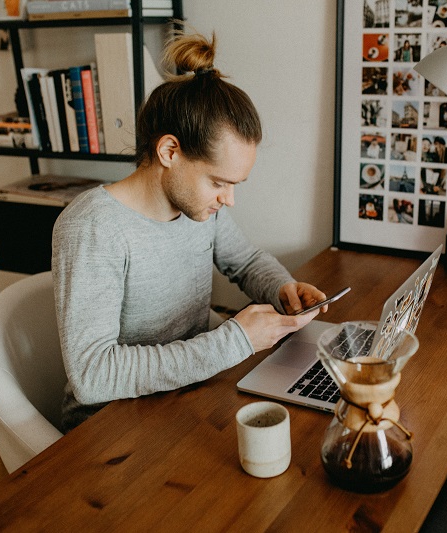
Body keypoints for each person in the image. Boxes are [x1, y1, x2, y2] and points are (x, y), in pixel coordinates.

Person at [52, 27, 327, 432]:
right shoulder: (93, 228)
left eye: (235, 185)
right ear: (169, 152)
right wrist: (233, 341)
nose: (228, 200)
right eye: (219, 182)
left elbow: (247, 261)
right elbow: (93, 376)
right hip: (111, 428)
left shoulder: (201, 208)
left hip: (187, 395)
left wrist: (283, 289)